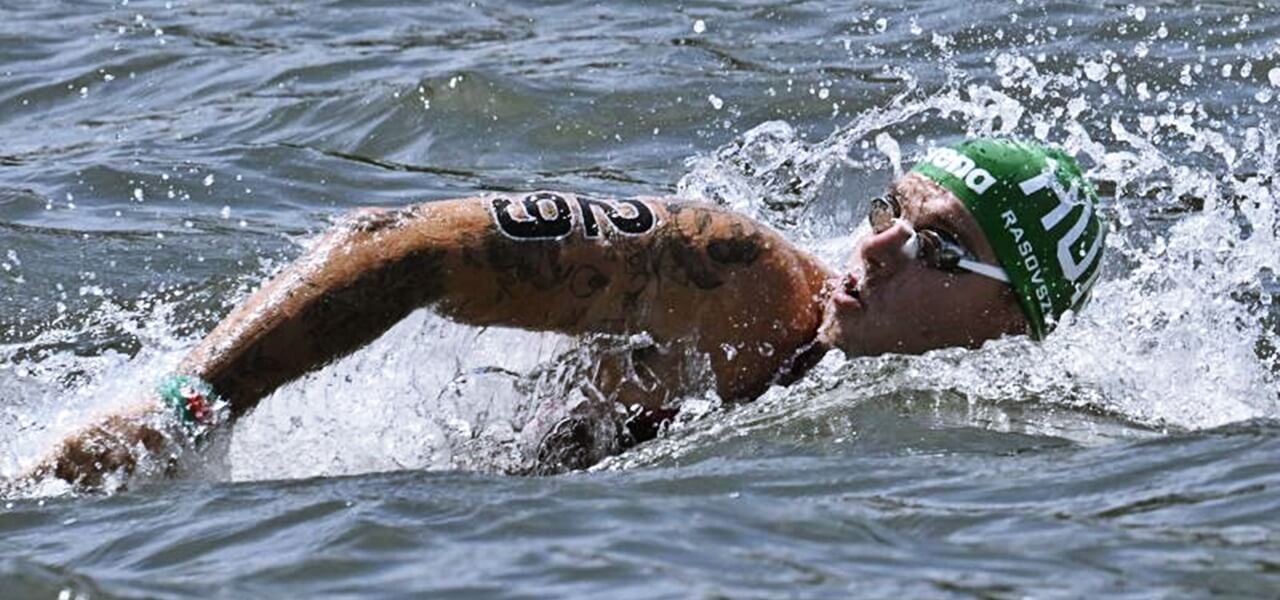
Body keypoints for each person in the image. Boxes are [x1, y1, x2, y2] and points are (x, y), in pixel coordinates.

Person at [11, 137, 1105, 491]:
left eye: (933, 248)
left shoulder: (1003, 440)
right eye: (889, 211)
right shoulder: (736, 282)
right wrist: (180, 412)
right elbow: (401, 243)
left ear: (1007, 325)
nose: (870, 250)